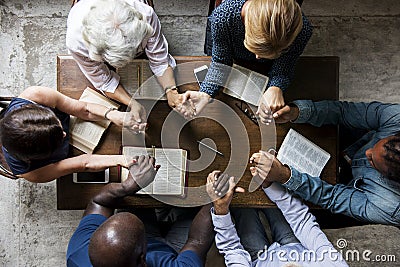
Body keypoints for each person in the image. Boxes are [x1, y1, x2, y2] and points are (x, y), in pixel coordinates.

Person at [251, 100, 400, 226]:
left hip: (351, 191)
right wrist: (296, 112)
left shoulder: (390, 207)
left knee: (300, 215)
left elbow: (331, 197)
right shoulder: (396, 118)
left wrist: (284, 175)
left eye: (372, 161)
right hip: (351, 140)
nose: (367, 153)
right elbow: (343, 112)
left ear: (391, 178)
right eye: (375, 145)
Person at [67, 155, 214, 267]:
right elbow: (196, 241)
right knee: (194, 207)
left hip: (138, 248)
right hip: (174, 251)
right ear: (143, 260)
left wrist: (128, 186)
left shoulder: (78, 255)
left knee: (132, 200)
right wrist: (215, 199)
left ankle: (166, 214)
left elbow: (98, 202)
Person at [180, 0, 312, 121]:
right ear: (246, 25)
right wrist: (205, 93)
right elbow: (221, 63)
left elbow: (285, 64)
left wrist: (276, 87)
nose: (258, 58)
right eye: (255, 48)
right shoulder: (223, 17)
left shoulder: (302, 30)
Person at [67, 0, 193, 116]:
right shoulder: (76, 42)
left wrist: (171, 90)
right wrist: (132, 103)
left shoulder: (146, 14)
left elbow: (160, 60)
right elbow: (104, 82)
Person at [206, 170, 348, 266]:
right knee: (267, 183)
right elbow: (302, 221)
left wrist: (221, 209)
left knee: (239, 199)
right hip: (294, 244)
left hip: (258, 258)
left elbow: (232, 249)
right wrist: (269, 185)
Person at [0, 86, 141, 183]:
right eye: (58, 139)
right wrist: (122, 160)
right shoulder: (32, 173)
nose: (63, 134)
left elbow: (84, 109)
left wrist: (113, 114)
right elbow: (83, 163)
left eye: (58, 125)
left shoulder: (34, 96)